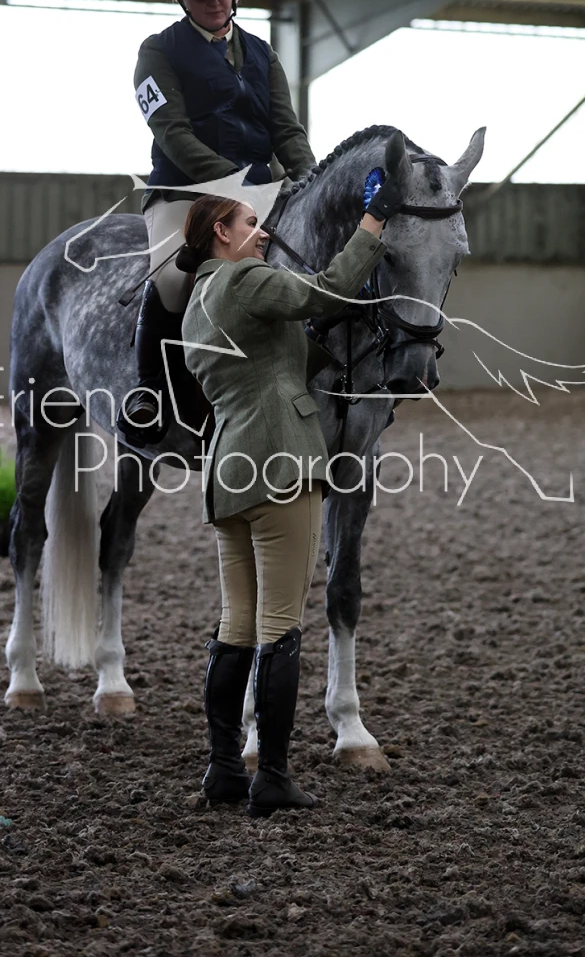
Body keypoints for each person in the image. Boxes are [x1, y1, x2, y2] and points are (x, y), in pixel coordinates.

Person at [179, 165, 408, 818]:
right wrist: (372, 223)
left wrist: (321, 348)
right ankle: (273, 777)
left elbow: (275, 365)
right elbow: (330, 288)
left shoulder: (197, 300)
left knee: (236, 625)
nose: (261, 232)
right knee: (281, 625)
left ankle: (225, 768)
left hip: (229, 471)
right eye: (249, 223)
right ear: (221, 233)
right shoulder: (246, 279)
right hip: (281, 463)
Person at [118, 0, 317, 448]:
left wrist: (309, 176)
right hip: (184, 193)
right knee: (170, 278)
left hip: (259, 191)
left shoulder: (263, 54)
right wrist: (236, 184)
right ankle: (147, 389)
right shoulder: (157, 52)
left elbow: (286, 129)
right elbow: (174, 134)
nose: (215, 1)